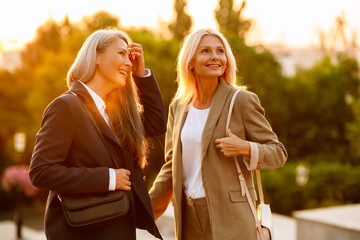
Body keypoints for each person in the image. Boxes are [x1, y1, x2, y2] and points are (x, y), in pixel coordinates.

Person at [149, 29, 288, 240]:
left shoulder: (242, 100)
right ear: (190, 62)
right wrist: (145, 210)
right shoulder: (178, 107)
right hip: (188, 218)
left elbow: (278, 153)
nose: (215, 56)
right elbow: (172, 166)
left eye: (220, 51)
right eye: (205, 51)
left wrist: (245, 147)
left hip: (231, 219)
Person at [29, 28, 166, 240]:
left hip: (118, 227)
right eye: (121, 53)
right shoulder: (66, 106)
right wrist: (109, 178)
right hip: (82, 231)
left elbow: (156, 124)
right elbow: (41, 171)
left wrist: (142, 75)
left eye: (129, 57)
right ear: (96, 57)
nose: (129, 63)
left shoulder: (115, 114)